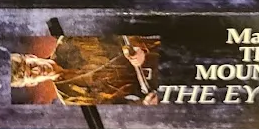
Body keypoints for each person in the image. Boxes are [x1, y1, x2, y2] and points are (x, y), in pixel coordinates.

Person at [11, 35, 156, 105]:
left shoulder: (69, 39)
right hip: (154, 89)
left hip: (156, 53)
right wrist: (144, 104)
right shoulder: (70, 99)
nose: (38, 70)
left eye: (32, 65)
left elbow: (118, 30)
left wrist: (137, 49)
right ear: (32, 83)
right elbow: (118, 108)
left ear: (31, 56)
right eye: (31, 75)